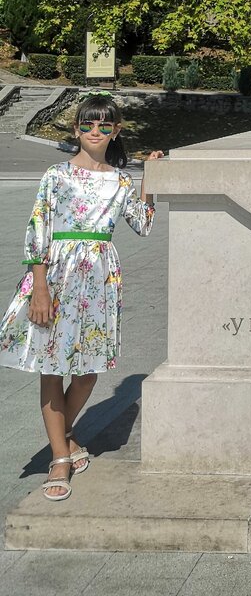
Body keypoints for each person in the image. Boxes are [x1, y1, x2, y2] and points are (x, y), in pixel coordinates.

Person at [0, 93, 161, 500]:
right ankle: (59, 457)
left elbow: (142, 226)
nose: (95, 131)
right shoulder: (56, 175)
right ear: (76, 129)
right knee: (52, 367)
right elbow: (37, 229)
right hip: (56, 273)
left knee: (88, 369)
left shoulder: (121, 179)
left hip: (100, 278)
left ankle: (66, 438)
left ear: (116, 131)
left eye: (105, 125)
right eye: (88, 124)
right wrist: (40, 287)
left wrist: (151, 181)